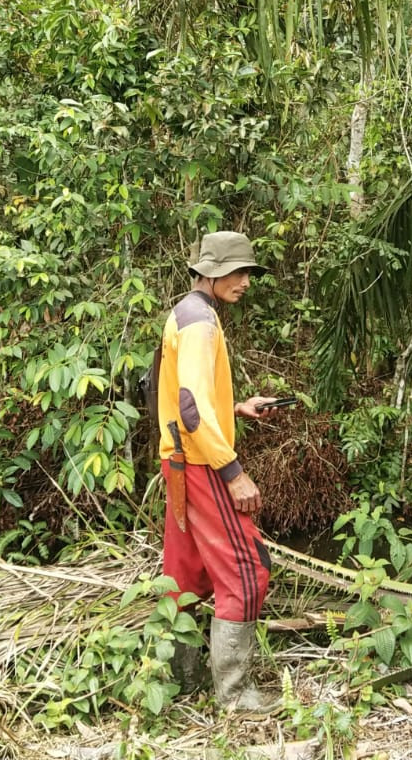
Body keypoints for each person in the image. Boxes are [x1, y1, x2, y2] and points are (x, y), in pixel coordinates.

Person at [156, 230, 281, 711]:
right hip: (204, 464)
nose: (247, 282)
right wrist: (233, 472)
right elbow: (190, 409)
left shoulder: (189, 313)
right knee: (248, 570)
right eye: (241, 271)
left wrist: (236, 408)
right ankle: (235, 694)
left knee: (184, 576)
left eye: (249, 272)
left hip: (180, 462)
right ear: (212, 271)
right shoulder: (200, 323)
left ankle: (180, 682)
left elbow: (185, 400)